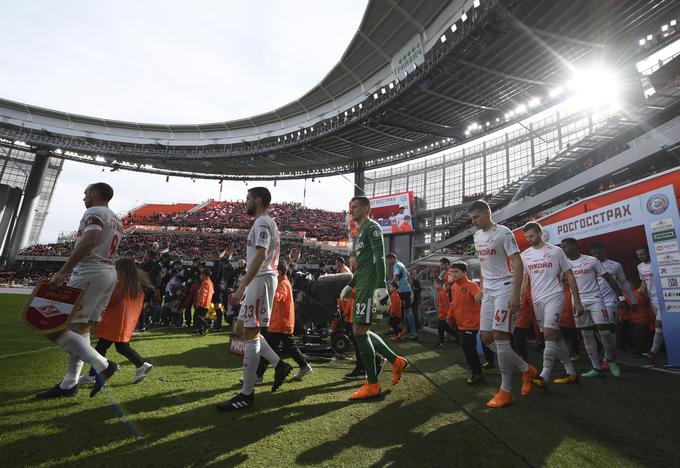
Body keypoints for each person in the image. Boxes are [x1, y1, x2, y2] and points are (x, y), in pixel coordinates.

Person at [35, 182, 124, 399]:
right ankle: (69, 384)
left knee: (51, 324)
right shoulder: (118, 220)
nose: (83, 197)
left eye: (85, 193)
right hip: (108, 273)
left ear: (94, 194)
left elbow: (89, 241)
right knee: (80, 329)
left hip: (89, 272)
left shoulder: (94, 211)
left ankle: (103, 365)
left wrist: (64, 271)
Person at [217, 187, 292, 411]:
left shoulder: (262, 223)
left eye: (248, 198)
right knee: (245, 330)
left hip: (260, 280)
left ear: (258, 200)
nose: (245, 202)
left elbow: (260, 255)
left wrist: (242, 288)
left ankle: (247, 395)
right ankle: (279, 365)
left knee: (250, 333)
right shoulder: (267, 222)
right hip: (260, 280)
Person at [468, 200, 535, 408]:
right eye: (471, 219)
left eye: (476, 217)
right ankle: (526, 369)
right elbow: (483, 264)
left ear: (487, 213)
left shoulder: (503, 233)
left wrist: (516, 293)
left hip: (506, 287)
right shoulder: (477, 236)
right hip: (488, 291)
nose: (474, 222)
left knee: (500, 337)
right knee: (486, 338)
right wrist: (482, 288)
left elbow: (517, 262)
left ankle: (506, 391)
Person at [339, 196, 408, 400]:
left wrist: (380, 287)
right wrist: (350, 284)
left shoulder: (372, 227)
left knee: (360, 332)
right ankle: (395, 362)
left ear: (367, 208)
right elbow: (364, 266)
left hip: (370, 289)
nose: (352, 211)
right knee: (360, 331)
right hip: (362, 288)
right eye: (351, 208)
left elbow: (379, 257)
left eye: (356, 207)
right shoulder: (359, 233)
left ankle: (373, 383)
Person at [520, 222, 582, 389]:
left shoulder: (556, 251)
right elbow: (525, 279)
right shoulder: (525, 255)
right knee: (555, 335)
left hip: (554, 296)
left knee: (548, 333)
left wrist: (577, 301)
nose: (528, 239)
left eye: (531, 236)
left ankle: (544, 375)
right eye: (526, 237)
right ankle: (571, 372)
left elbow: (570, 276)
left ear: (541, 234)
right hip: (536, 299)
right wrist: (519, 296)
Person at [80, 258, 154, 386]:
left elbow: (109, 301)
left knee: (101, 348)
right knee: (120, 347)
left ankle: (93, 374)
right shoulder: (136, 287)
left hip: (114, 322)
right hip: (125, 323)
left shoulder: (121, 284)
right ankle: (141, 364)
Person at [561, 238, 624, 377]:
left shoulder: (591, 260)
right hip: (577, 301)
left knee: (604, 331)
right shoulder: (563, 263)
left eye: (565, 246)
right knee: (586, 334)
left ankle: (610, 359)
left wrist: (621, 297)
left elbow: (609, 278)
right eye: (562, 247)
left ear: (575, 246)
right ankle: (596, 368)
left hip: (595, 299)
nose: (563, 249)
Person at [256, 260, 313, 381]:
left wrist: (268, 291)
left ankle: (258, 375)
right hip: (281, 323)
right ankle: (304, 366)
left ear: (279, 271)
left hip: (280, 323)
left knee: (267, 349)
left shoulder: (282, 283)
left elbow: (279, 297)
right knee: (289, 347)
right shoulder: (283, 282)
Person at [589, 241, 637, 335]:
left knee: (610, 328)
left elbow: (624, 283)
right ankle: (606, 348)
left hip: (610, 301)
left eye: (598, 253)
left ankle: (610, 349)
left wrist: (633, 300)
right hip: (594, 301)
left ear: (604, 251)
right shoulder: (588, 266)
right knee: (597, 330)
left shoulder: (615, 265)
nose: (596, 255)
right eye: (594, 253)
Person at [448, 261, 484, 384]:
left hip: (471, 324)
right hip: (461, 324)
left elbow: (477, 297)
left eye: (456, 271)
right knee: (468, 348)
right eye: (452, 272)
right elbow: (453, 304)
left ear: (464, 272)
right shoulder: (453, 286)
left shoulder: (472, 285)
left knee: (468, 348)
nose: (454, 274)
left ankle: (477, 373)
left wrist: (478, 296)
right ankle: (478, 370)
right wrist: (449, 316)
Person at [637, 246, 664, 361]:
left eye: (642, 254)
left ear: (648, 252)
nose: (640, 256)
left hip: (664, 299)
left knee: (658, 323)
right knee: (662, 326)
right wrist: (640, 290)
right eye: (638, 255)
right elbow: (644, 282)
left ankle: (653, 351)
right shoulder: (640, 267)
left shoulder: (657, 262)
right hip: (652, 299)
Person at [386, 253, 416, 340]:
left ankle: (412, 332)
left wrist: (389, 284)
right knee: (404, 310)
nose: (388, 262)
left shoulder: (397, 265)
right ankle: (403, 330)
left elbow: (395, 277)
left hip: (403, 290)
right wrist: (410, 287)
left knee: (402, 310)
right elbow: (409, 276)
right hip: (405, 289)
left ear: (392, 259)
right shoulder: (401, 264)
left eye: (388, 260)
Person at [194, 268, 214, 336]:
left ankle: (207, 325)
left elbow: (203, 294)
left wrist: (199, 303)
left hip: (203, 303)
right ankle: (201, 332)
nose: (200, 276)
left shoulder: (204, 282)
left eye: (201, 274)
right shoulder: (210, 282)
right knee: (201, 317)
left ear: (204, 274)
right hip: (207, 303)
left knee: (199, 317)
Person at [435, 278, 455, 346]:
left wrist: (444, 316)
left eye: (435, 284)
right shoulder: (441, 292)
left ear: (440, 284)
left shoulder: (442, 293)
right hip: (442, 315)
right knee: (447, 329)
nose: (434, 286)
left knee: (443, 329)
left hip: (442, 316)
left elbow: (446, 306)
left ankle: (441, 342)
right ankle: (441, 341)